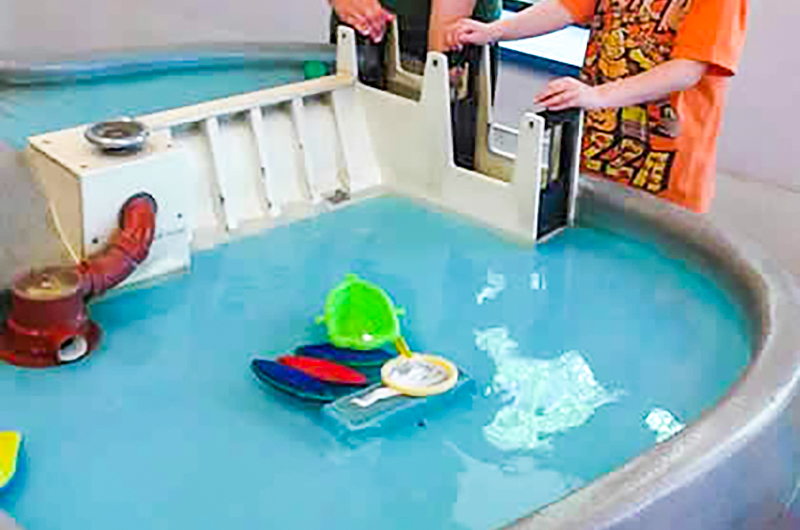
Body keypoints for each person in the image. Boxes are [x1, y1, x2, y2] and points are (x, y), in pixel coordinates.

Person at [446, 0, 748, 213]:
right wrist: (495, 31)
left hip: (664, 180)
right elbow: (566, 7)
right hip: (596, 158)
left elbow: (688, 69)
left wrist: (598, 96)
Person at [328, 0, 503, 169]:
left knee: (433, 176)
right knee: (349, 168)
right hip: (360, 32)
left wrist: (440, 61)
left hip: (439, 44)